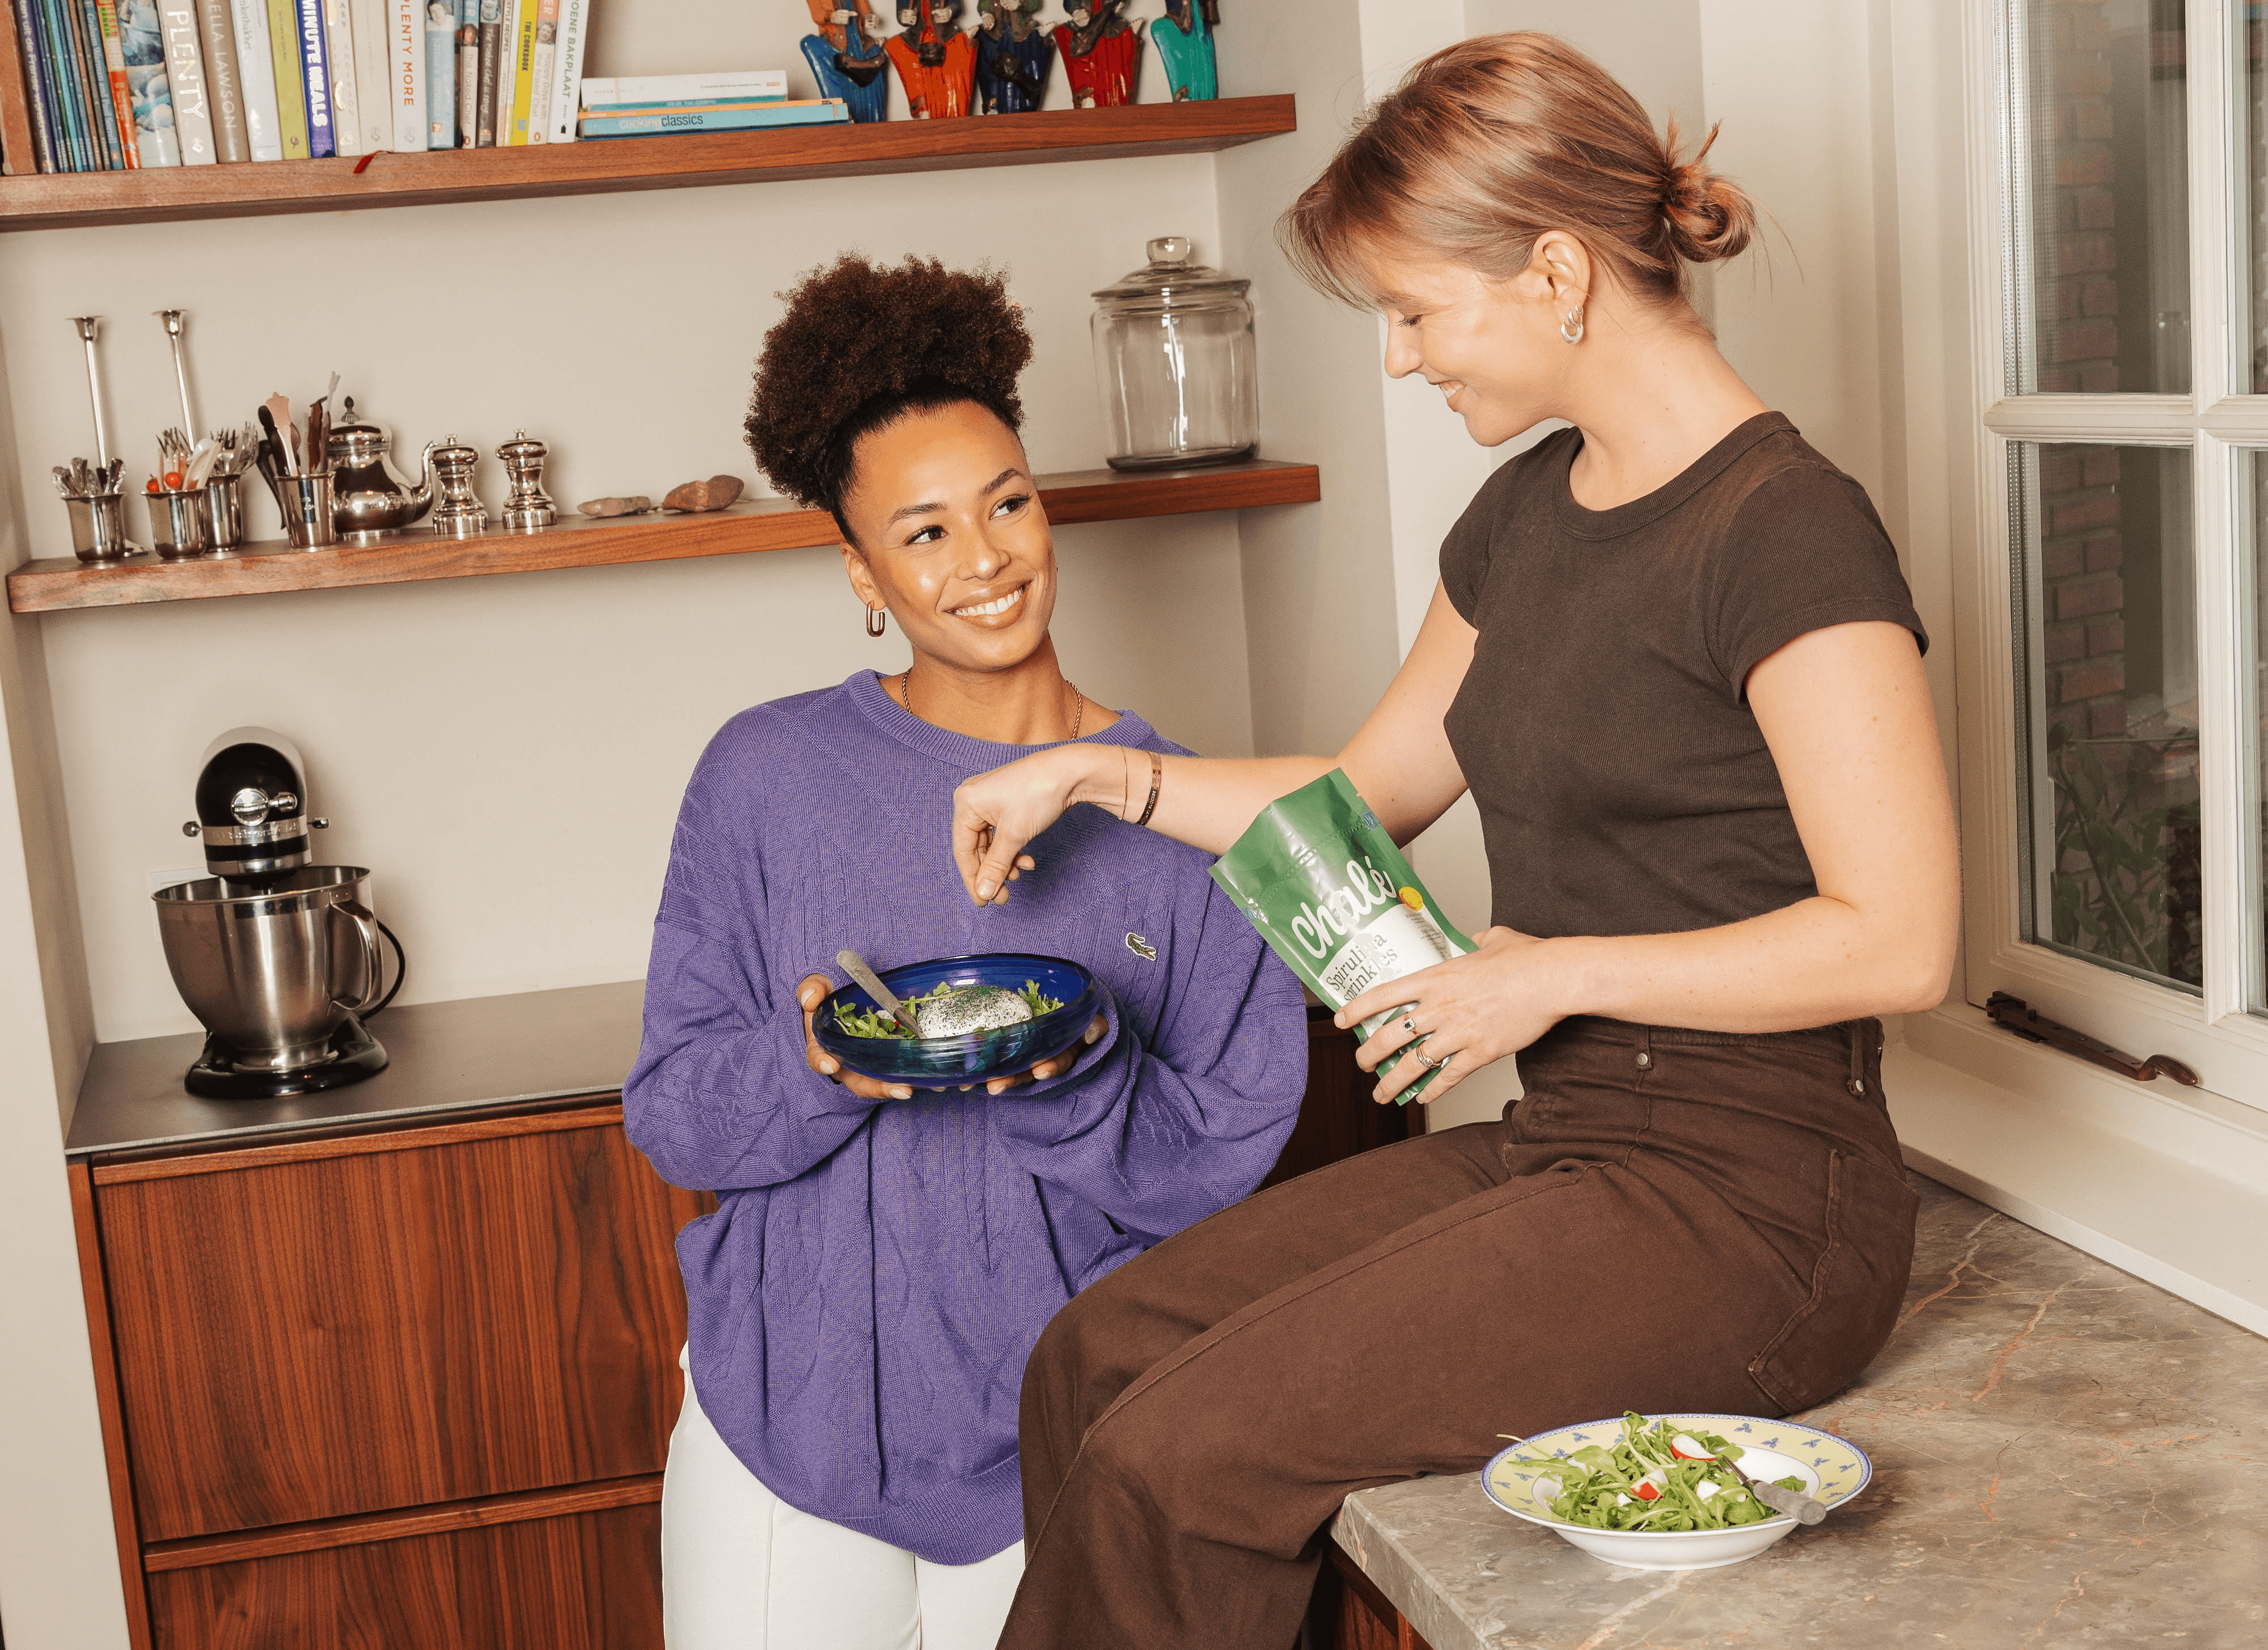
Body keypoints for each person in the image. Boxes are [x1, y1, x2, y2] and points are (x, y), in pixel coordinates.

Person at [947, 33, 1962, 1650]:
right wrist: (1102, 778)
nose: (1409, 359)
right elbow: (1362, 792)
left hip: (1762, 1207)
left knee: (1175, 1455)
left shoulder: (1786, 529)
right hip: (1575, 1148)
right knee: (1093, 1356)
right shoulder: (1527, 515)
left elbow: (1900, 935)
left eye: (1418, 310)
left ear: (1555, 271)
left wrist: (1546, 974)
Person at [621, 255, 1307, 1650]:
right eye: (922, 533)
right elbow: (675, 1115)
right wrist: (816, 1058)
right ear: (860, 572)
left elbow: (1218, 1171)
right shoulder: (763, 776)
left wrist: (1078, 1061)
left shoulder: (1181, 810)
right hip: (785, 1428)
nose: (985, 561)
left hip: (1072, 1431)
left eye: (1007, 504)